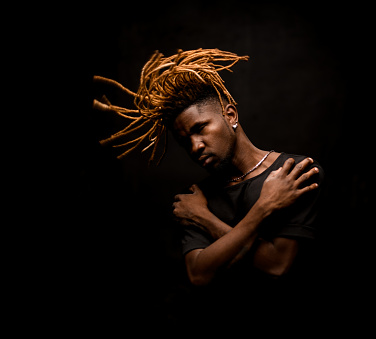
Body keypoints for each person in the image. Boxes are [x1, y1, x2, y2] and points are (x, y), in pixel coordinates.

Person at [94, 48, 324, 327]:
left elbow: (276, 265)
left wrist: (206, 219)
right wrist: (262, 210)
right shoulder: (197, 199)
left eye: (200, 128)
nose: (194, 146)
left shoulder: (294, 173)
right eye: (184, 140)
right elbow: (199, 274)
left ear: (229, 114)